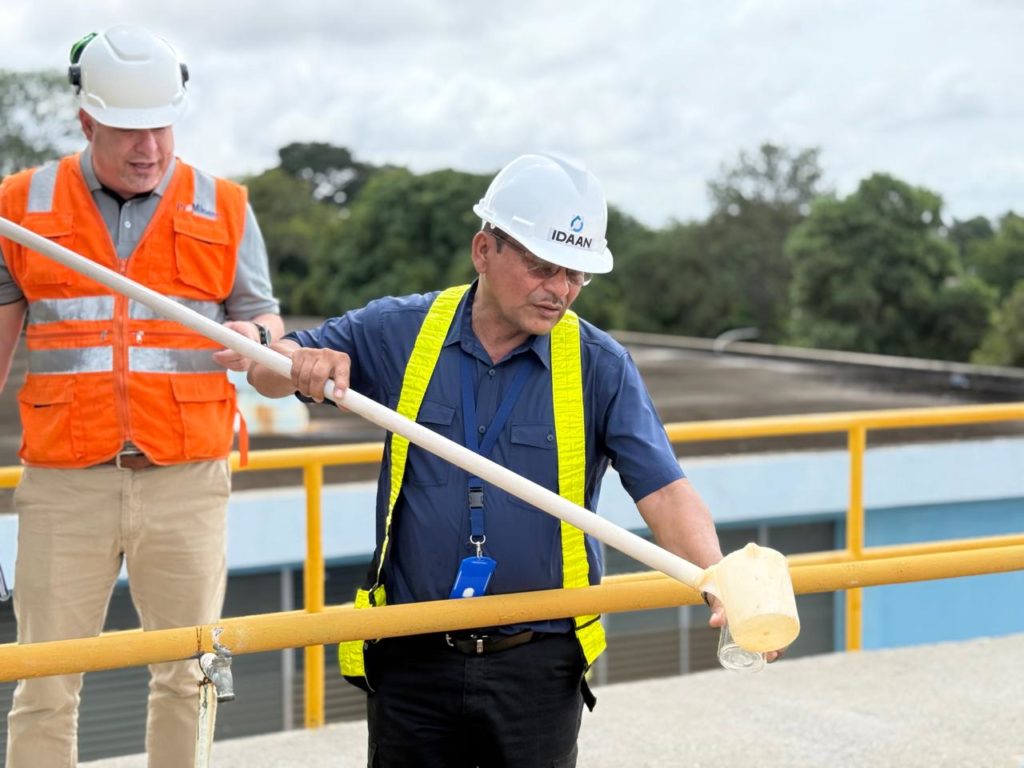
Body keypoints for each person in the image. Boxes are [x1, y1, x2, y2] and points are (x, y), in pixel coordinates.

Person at [248, 153, 742, 767]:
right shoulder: (398, 331)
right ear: (484, 250)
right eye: (542, 267)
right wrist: (297, 361)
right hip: (412, 654)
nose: (560, 290)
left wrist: (717, 578)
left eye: (576, 275)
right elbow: (265, 372)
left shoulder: (598, 365)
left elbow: (664, 491)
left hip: (538, 663)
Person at [0, 25, 283, 768]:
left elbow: (265, 322)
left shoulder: (224, 205)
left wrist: (259, 339)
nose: (148, 147)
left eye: (161, 125)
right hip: (65, 483)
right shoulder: (19, 207)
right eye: (127, 129)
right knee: (43, 683)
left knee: (189, 675)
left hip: (187, 479)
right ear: (86, 120)